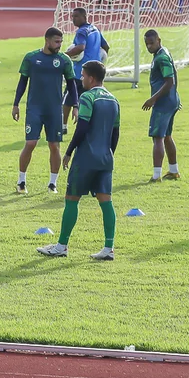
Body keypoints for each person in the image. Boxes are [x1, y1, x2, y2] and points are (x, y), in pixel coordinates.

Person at [38, 61, 120, 261]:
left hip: (86, 158)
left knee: (71, 199)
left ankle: (61, 246)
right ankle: (109, 247)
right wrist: (109, 154)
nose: (81, 79)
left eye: (83, 76)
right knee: (105, 201)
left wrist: (69, 151)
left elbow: (82, 128)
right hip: (105, 158)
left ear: (92, 78)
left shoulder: (88, 97)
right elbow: (115, 133)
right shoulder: (113, 100)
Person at [13, 28, 79, 194]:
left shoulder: (64, 60)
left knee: (54, 146)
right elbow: (22, 83)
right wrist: (16, 104)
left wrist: (76, 106)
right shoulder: (31, 58)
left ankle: (52, 184)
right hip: (34, 109)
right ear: (47, 40)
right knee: (30, 143)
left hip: (54, 110)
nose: (59, 45)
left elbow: (72, 85)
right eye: (56, 42)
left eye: (61, 42)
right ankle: (21, 181)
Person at [142, 30, 181, 182]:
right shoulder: (163, 53)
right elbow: (174, 77)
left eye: (151, 43)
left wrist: (153, 99)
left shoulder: (162, 57)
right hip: (170, 100)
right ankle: (173, 170)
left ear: (159, 40)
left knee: (158, 137)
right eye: (147, 44)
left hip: (163, 103)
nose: (149, 46)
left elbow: (169, 80)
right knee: (167, 136)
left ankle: (156, 176)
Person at [63, 8, 109, 135]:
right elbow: (106, 47)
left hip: (80, 72)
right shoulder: (95, 29)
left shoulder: (81, 31)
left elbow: (80, 48)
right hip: (93, 73)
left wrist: (64, 55)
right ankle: (93, 126)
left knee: (68, 99)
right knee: (91, 100)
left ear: (84, 16)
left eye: (76, 16)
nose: (73, 19)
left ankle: (63, 126)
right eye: (72, 16)